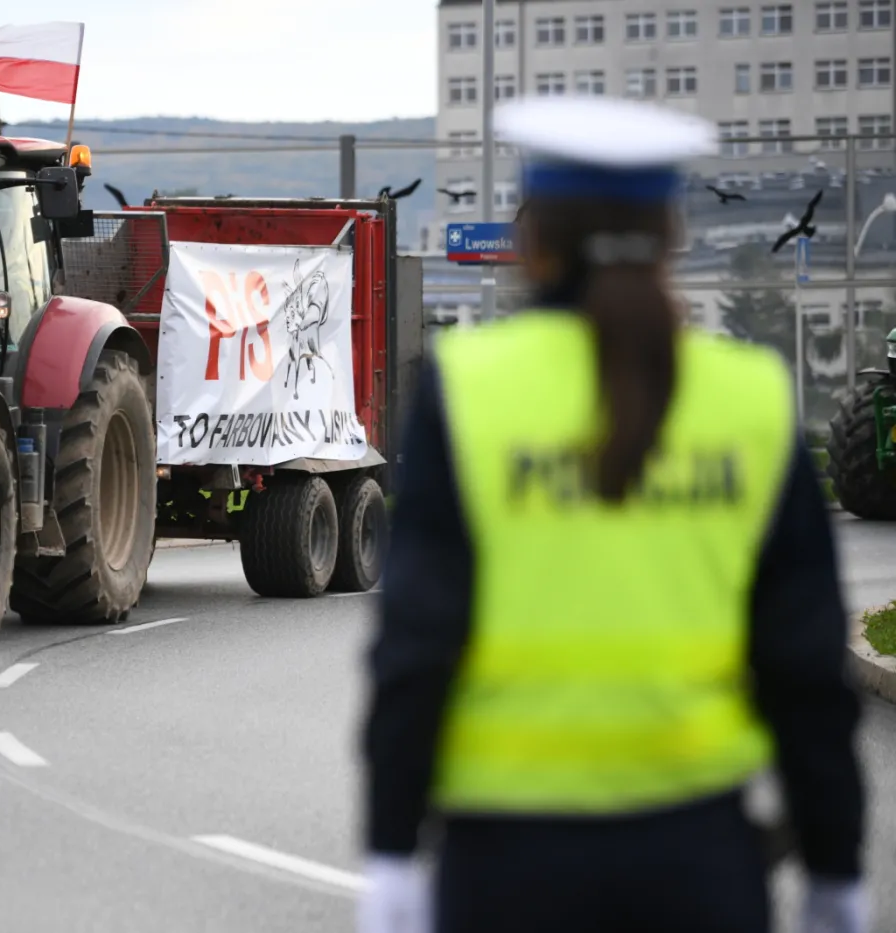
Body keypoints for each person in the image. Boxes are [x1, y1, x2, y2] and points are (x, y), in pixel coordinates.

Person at [358, 95, 867, 933]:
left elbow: (416, 646)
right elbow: (806, 665)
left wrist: (389, 852)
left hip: (506, 863)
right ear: (670, 231)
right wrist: (835, 865)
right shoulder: (750, 398)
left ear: (539, 238)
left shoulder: (473, 386)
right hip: (699, 857)